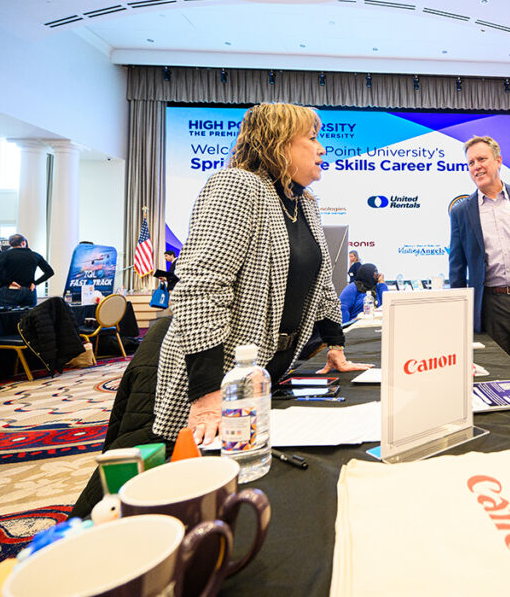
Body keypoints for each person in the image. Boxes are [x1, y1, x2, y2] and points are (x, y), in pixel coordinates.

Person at [154, 102, 369, 446]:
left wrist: (335, 345)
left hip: (263, 378)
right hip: (216, 384)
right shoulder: (237, 186)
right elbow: (200, 288)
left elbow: (322, 284)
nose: (321, 148)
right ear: (278, 144)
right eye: (311, 138)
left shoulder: (305, 203)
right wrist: (208, 395)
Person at [449, 136, 510, 384]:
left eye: (482, 159)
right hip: (492, 304)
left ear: (498, 161)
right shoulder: (462, 211)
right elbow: (457, 265)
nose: (476, 167)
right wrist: (459, 311)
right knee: (497, 372)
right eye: (470, 163)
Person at [0, 234, 54, 307]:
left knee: (7, 317)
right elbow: (50, 272)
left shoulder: (5, 255)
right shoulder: (35, 255)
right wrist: (35, 283)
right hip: (29, 290)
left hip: (8, 290)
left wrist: (9, 282)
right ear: (23, 243)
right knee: (28, 317)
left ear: (10, 244)